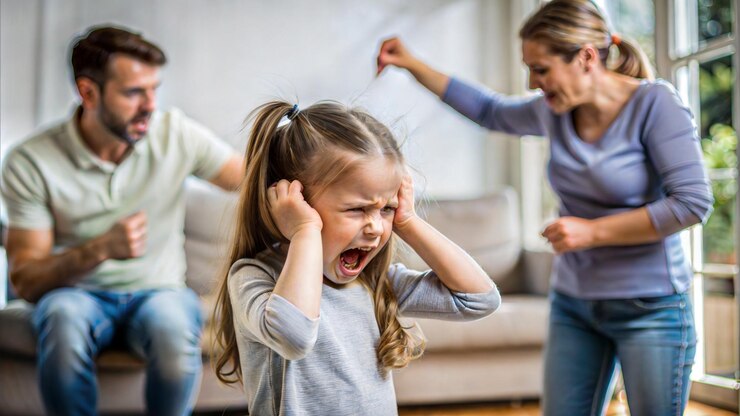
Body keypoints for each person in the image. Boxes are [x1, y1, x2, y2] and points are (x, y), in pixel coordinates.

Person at [375, 1, 714, 415]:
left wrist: (591, 232)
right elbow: (489, 110)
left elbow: (692, 203)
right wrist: (410, 63)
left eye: (541, 69)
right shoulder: (557, 111)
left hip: (651, 304)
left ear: (586, 57)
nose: (533, 82)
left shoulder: (655, 105)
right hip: (575, 301)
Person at [0, 25, 243, 416]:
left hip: (159, 291)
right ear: (88, 92)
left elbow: (249, 180)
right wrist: (99, 249)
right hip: (75, 293)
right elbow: (26, 279)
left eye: (154, 89)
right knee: (61, 320)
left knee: (172, 329)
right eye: (133, 93)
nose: (150, 105)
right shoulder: (30, 161)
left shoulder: (174, 133)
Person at [211, 100, 501, 415]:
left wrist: (408, 222)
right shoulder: (254, 276)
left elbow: (479, 300)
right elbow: (294, 336)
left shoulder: (375, 282)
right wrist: (305, 231)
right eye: (357, 209)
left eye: (386, 209)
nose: (376, 227)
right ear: (295, 203)